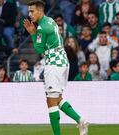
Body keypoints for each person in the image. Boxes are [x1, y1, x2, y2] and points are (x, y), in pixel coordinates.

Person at [23, 1, 89, 135]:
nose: (29, 15)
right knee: (56, 98)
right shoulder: (50, 20)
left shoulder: (41, 28)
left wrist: (32, 32)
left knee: (51, 101)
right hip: (60, 60)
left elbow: (38, 48)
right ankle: (80, 120)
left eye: (32, 11)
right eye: (29, 11)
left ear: (40, 11)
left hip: (54, 63)